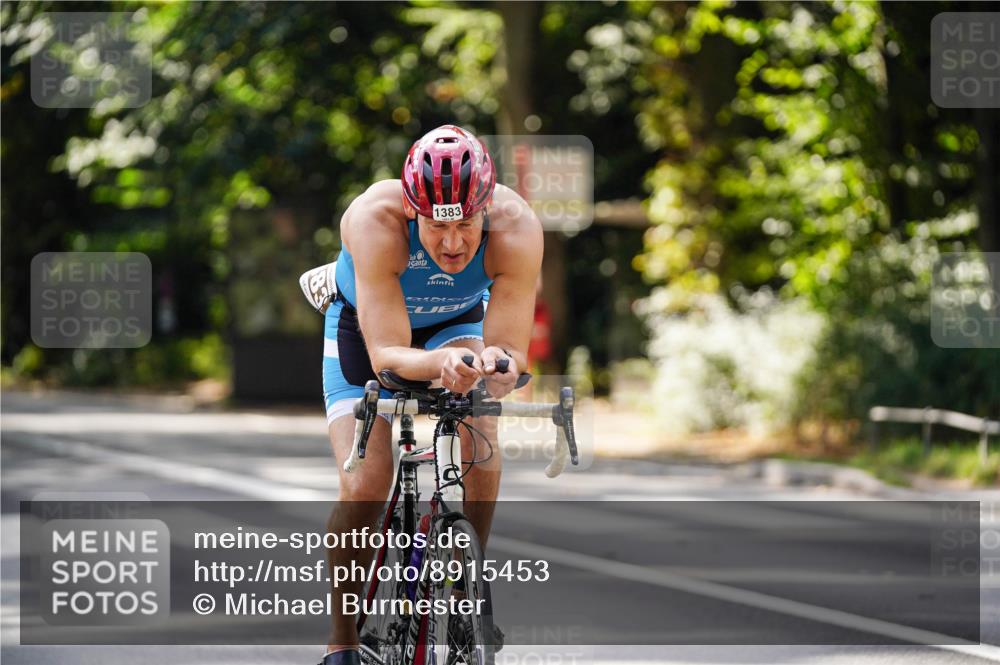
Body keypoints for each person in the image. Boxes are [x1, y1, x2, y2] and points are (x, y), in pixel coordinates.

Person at [318, 125, 543, 665]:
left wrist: (502, 366)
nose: (453, 243)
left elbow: (510, 346)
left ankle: (469, 585)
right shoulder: (374, 220)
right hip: (365, 330)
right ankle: (342, 640)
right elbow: (387, 354)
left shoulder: (516, 227)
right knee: (366, 486)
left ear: (486, 210)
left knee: (482, 422)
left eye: (466, 224)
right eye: (437, 226)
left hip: (454, 323)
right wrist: (440, 366)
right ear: (411, 210)